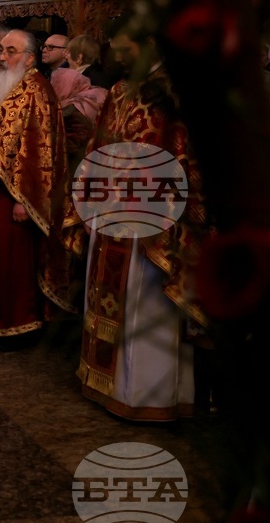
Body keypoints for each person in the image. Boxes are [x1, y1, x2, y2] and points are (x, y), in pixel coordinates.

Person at [69, 28, 206, 421]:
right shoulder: (120, 89)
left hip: (149, 220)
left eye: (124, 45)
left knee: (145, 306)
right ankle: (104, 382)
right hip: (109, 212)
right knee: (111, 298)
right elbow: (100, 145)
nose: (116, 52)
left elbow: (186, 160)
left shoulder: (176, 92)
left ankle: (149, 395)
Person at [0, 29, 72, 338]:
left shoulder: (37, 90)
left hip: (12, 196)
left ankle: (15, 324)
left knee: (9, 264)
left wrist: (25, 199)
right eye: (1, 50)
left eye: (11, 51)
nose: (1, 56)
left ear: (30, 58)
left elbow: (39, 151)